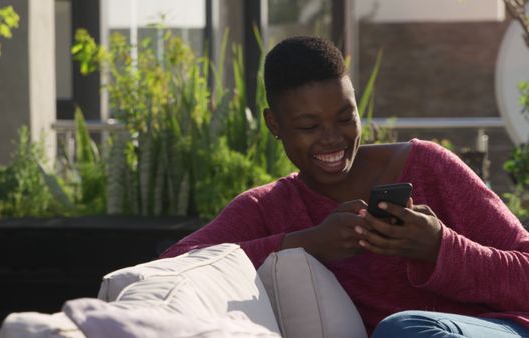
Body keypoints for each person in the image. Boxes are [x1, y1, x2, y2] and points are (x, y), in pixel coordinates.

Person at [160, 36, 529, 337]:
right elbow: (172, 267)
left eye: (345, 117)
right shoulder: (269, 208)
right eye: (309, 126)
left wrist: (439, 247)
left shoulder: (428, 166)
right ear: (274, 124)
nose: (333, 139)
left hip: (498, 328)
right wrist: (307, 243)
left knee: (405, 329)